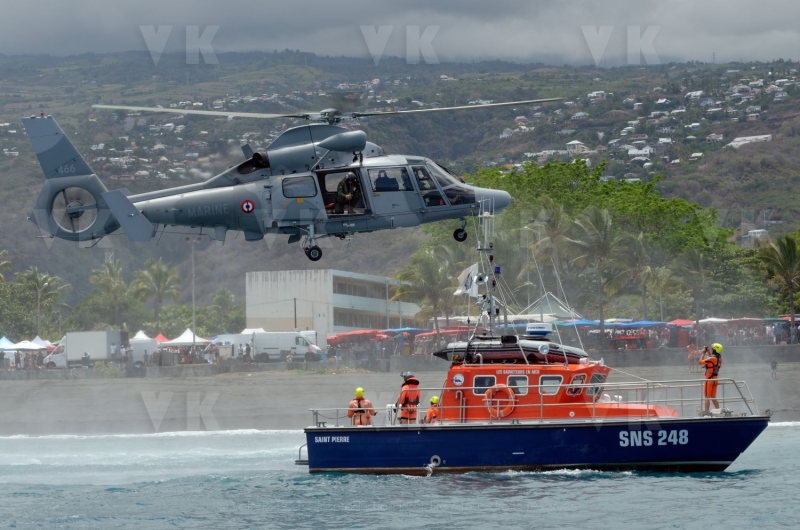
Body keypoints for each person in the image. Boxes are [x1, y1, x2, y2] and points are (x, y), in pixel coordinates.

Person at [699, 343, 723, 412]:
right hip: (715, 380)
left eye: (712, 349)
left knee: (707, 398)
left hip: (709, 380)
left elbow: (700, 362)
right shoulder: (720, 359)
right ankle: (718, 411)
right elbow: (712, 359)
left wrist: (703, 353)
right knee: (713, 397)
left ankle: (706, 412)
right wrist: (708, 352)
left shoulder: (711, 358)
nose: (712, 350)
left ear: (715, 350)